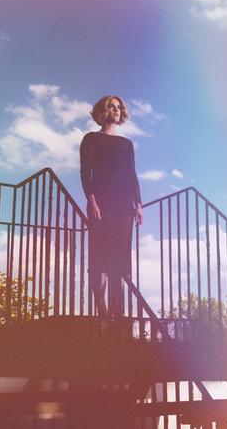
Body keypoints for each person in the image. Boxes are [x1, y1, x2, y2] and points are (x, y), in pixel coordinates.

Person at [80, 95, 143, 317]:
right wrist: (92, 200)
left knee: (120, 262)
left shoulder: (127, 144)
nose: (116, 110)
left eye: (118, 107)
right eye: (111, 106)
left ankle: (118, 314)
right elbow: (85, 171)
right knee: (100, 260)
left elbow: (132, 175)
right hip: (101, 205)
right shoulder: (91, 139)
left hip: (124, 207)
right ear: (102, 111)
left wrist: (138, 204)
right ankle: (103, 312)